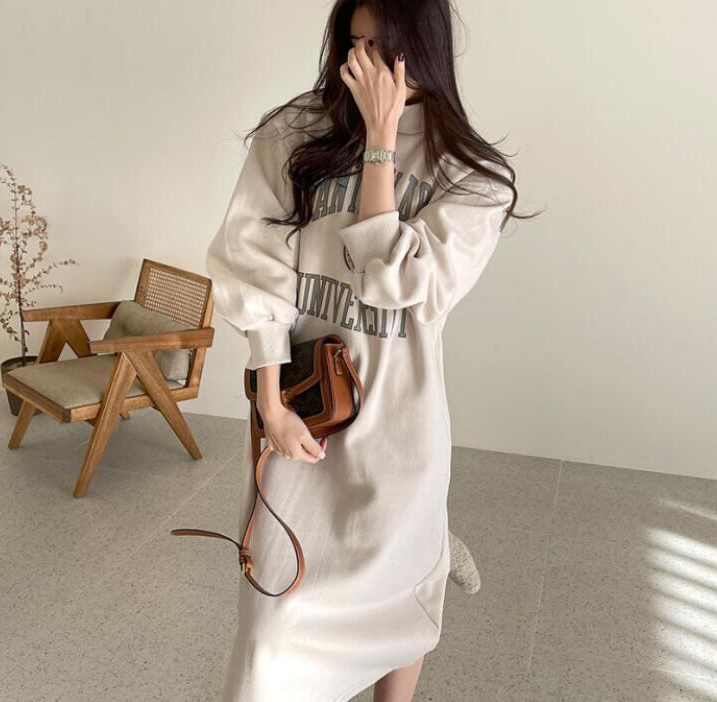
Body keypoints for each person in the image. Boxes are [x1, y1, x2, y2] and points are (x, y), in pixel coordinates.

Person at [206, 1, 529, 700]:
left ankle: (426, 549)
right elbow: (252, 266)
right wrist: (270, 404)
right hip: (303, 414)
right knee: (272, 625)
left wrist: (380, 145)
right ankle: (431, 546)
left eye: (386, 49)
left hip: (398, 427)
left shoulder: (474, 177)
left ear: (425, 50)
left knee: (398, 607)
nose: (366, 65)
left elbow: (397, 285)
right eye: (355, 45)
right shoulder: (296, 131)